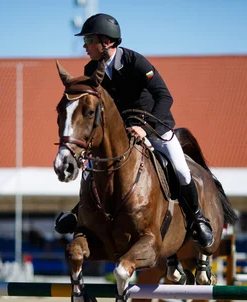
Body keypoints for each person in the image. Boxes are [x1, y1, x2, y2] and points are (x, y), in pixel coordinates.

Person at [54, 13, 214, 247]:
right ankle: (80, 213)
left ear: (106, 42)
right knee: (92, 167)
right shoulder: (91, 70)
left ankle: (197, 218)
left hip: (154, 126)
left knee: (180, 169)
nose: (84, 45)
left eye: (89, 39)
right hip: (121, 133)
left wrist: (145, 129)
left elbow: (164, 96)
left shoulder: (135, 62)